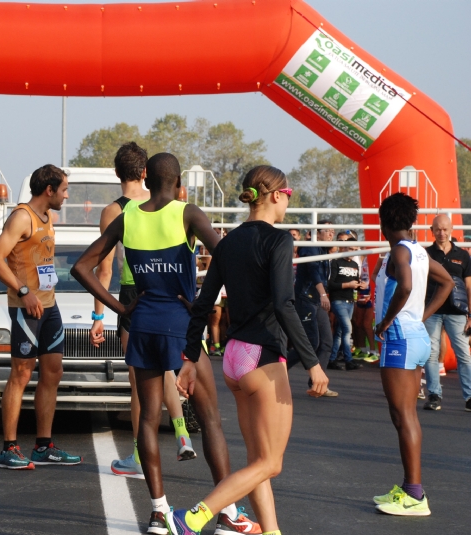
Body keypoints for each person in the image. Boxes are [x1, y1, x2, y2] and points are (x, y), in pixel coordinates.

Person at [73, 154, 260, 535]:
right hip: (180, 325)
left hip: (141, 324)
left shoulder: (128, 216)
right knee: (209, 420)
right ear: (177, 183)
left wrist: (120, 306)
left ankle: (158, 513)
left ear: (147, 178)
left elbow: (82, 267)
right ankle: (226, 514)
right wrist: (203, 304)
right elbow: (228, 256)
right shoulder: (186, 212)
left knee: (146, 418)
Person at [166, 166, 328, 535]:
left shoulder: (228, 243)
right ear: (274, 195)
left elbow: (203, 302)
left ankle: (270, 532)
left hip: (236, 359)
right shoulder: (279, 241)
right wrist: (314, 363)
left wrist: (190, 358)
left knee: (258, 462)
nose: (289, 199)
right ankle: (194, 517)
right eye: (287, 193)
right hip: (263, 358)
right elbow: (285, 303)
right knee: (271, 463)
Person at [88, 142, 200, 485]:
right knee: (166, 370)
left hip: (135, 294)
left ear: (117, 172)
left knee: (140, 383)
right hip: (173, 294)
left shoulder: (116, 211)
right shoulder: (171, 205)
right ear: (146, 173)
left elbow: (102, 269)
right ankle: (181, 431)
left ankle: (139, 454)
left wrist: (100, 316)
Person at [0, 164, 82, 470]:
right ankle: (9, 448)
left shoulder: (47, 216)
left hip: (49, 306)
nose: (67, 195)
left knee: (53, 371)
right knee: (22, 373)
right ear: (49, 190)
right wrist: (24, 291)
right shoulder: (21, 216)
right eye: (64, 189)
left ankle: (43, 446)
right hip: (25, 308)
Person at [371, 193, 453, 516]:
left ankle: (415, 495)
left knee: (404, 415)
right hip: (414, 335)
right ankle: (409, 489)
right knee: (402, 414)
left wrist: (388, 319)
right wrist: (421, 316)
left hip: (399, 338)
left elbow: (404, 286)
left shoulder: (399, 253)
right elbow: (447, 282)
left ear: (383, 223)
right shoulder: (418, 251)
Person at [421, 214, 471, 411]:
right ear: (432, 230)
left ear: (451, 230)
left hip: (457, 312)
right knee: (431, 354)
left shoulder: (464, 255)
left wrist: (470, 315)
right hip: (432, 311)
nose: (441, 233)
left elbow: (469, 287)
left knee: (464, 355)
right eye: (437, 229)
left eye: (445, 229)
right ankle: (434, 395)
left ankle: (469, 397)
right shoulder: (426, 254)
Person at [286, 219, 338, 396]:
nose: (331, 234)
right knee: (310, 342)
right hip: (305, 299)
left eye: (333, 231)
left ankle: (317, 383)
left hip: (316, 301)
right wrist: (323, 294)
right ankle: (279, 368)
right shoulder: (309, 247)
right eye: (327, 230)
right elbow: (313, 270)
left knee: (326, 342)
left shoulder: (324, 250)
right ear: (316, 233)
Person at [327, 237, 366, 371]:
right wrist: (347, 285)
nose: (353, 253)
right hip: (338, 300)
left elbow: (355, 283)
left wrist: (360, 286)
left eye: (355, 250)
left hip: (350, 301)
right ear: (344, 248)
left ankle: (331, 359)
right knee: (347, 329)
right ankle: (348, 360)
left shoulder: (355, 265)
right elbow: (330, 284)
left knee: (340, 331)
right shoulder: (336, 262)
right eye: (351, 249)